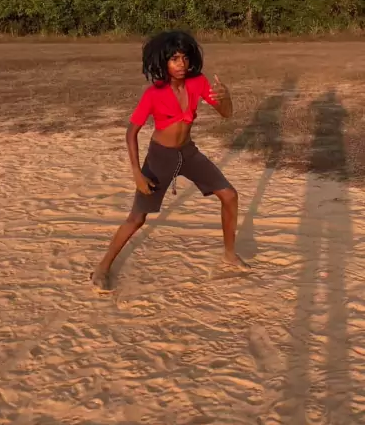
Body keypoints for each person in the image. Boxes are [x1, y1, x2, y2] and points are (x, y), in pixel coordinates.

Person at [91, 30, 249, 291]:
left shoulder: (198, 82)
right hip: (160, 157)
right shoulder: (153, 94)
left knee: (230, 195)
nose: (181, 64)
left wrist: (226, 97)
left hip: (188, 153)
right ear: (162, 61)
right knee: (137, 218)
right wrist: (137, 174)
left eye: (185, 58)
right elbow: (131, 133)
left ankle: (230, 254)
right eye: (174, 59)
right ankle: (102, 267)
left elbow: (226, 114)